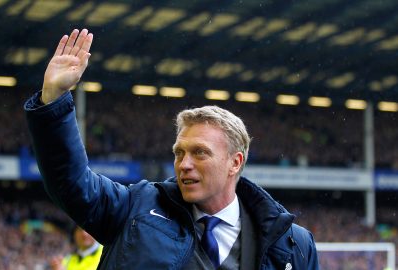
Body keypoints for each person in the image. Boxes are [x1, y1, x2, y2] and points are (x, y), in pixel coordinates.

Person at [25, 28, 319, 269]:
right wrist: (54, 98)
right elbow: (71, 183)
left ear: (235, 162)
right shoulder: (135, 208)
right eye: (179, 152)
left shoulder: (293, 245)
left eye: (200, 153)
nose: (184, 164)